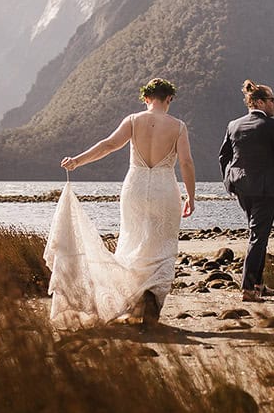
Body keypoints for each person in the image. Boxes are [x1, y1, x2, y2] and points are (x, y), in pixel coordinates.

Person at [45, 77, 196, 329]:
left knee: (132, 242)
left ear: (146, 98)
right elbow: (186, 163)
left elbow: (108, 145)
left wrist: (77, 161)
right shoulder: (178, 127)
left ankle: (130, 303)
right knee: (161, 247)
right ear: (168, 99)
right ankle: (148, 308)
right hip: (164, 189)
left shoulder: (133, 121)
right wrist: (191, 195)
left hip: (134, 187)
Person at [219, 79, 274, 302]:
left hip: (241, 186)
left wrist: (228, 181)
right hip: (265, 189)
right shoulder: (273, 126)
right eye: (272, 100)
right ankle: (248, 288)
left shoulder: (234, 125)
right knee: (258, 236)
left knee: (258, 235)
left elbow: (224, 156)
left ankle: (259, 284)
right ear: (260, 102)